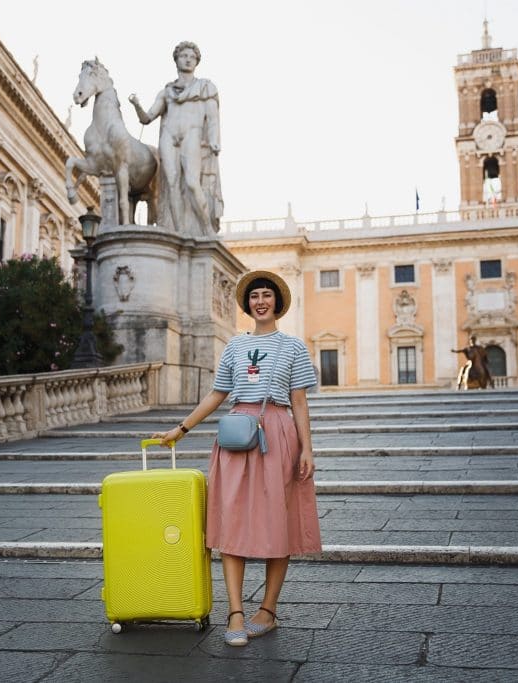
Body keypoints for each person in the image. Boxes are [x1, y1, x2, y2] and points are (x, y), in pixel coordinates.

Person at [151, 270, 321, 647]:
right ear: (248, 304)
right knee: (231, 521)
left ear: (277, 302)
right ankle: (235, 612)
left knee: (279, 521)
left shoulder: (293, 347)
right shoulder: (232, 346)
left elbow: (298, 401)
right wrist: (181, 429)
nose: (261, 301)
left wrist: (307, 448)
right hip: (235, 434)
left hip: (277, 433)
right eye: (255, 296)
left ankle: (268, 610)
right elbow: (216, 394)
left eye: (267, 295)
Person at [129, 41, 223, 235]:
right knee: (170, 184)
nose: (188, 59)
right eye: (184, 56)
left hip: (192, 134)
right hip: (169, 137)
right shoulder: (166, 92)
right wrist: (136, 104)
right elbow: (147, 118)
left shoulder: (206, 87)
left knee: (191, 182)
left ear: (197, 61)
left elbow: (213, 118)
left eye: (192, 57)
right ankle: (179, 233)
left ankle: (206, 228)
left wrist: (214, 139)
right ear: (176, 60)